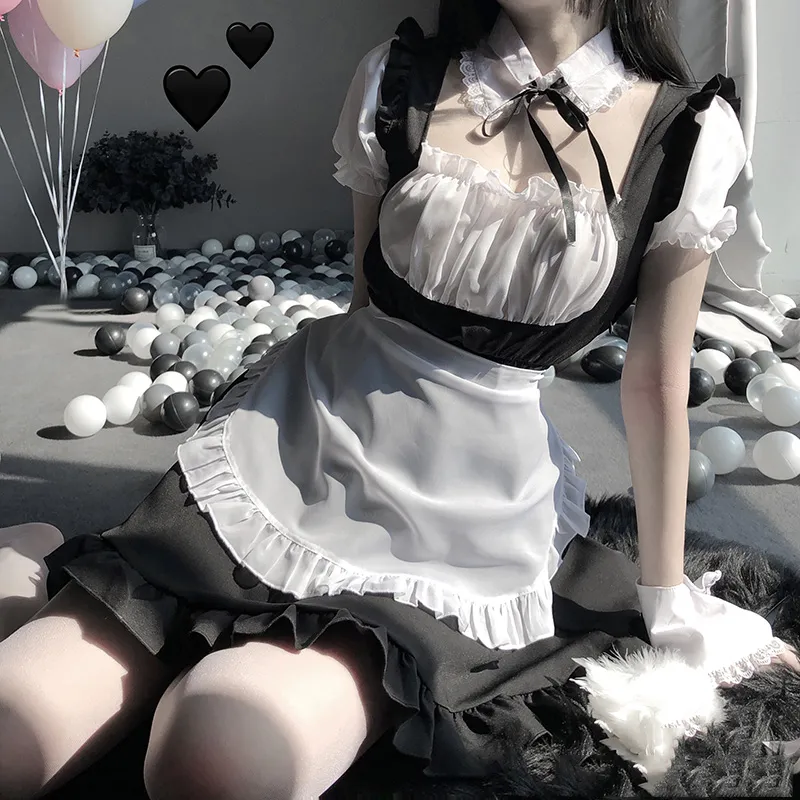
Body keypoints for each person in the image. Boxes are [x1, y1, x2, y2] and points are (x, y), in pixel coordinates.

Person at [0, 1, 797, 798]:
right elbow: (365, 300)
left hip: (460, 525)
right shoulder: (398, 78)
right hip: (295, 447)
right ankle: (54, 563)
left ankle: (40, 567)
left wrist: (667, 597)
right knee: (13, 730)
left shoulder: (686, 133)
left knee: (211, 758)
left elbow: (655, 383)